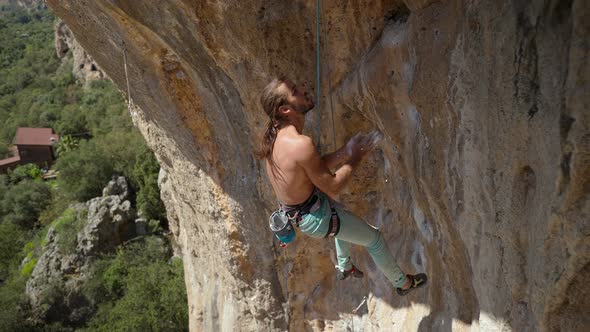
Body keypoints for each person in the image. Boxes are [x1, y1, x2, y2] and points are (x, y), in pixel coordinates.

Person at [258, 77, 427, 296]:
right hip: (315, 217)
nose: (302, 89)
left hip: (303, 210)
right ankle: (402, 284)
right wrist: (356, 156)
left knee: (341, 219)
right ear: (285, 109)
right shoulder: (300, 144)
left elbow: (310, 169)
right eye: (294, 90)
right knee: (374, 239)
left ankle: (345, 266)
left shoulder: (277, 137)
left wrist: (345, 151)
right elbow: (334, 185)